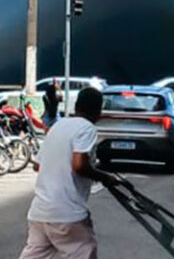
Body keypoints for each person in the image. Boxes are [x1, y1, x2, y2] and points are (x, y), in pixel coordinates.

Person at [19, 87, 119, 259]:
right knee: (83, 251)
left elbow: (38, 165)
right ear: (98, 110)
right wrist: (105, 177)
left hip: (40, 212)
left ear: (77, 105)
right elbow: (79, 165)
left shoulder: (58, 126)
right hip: (67, 213)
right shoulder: (87, 128)